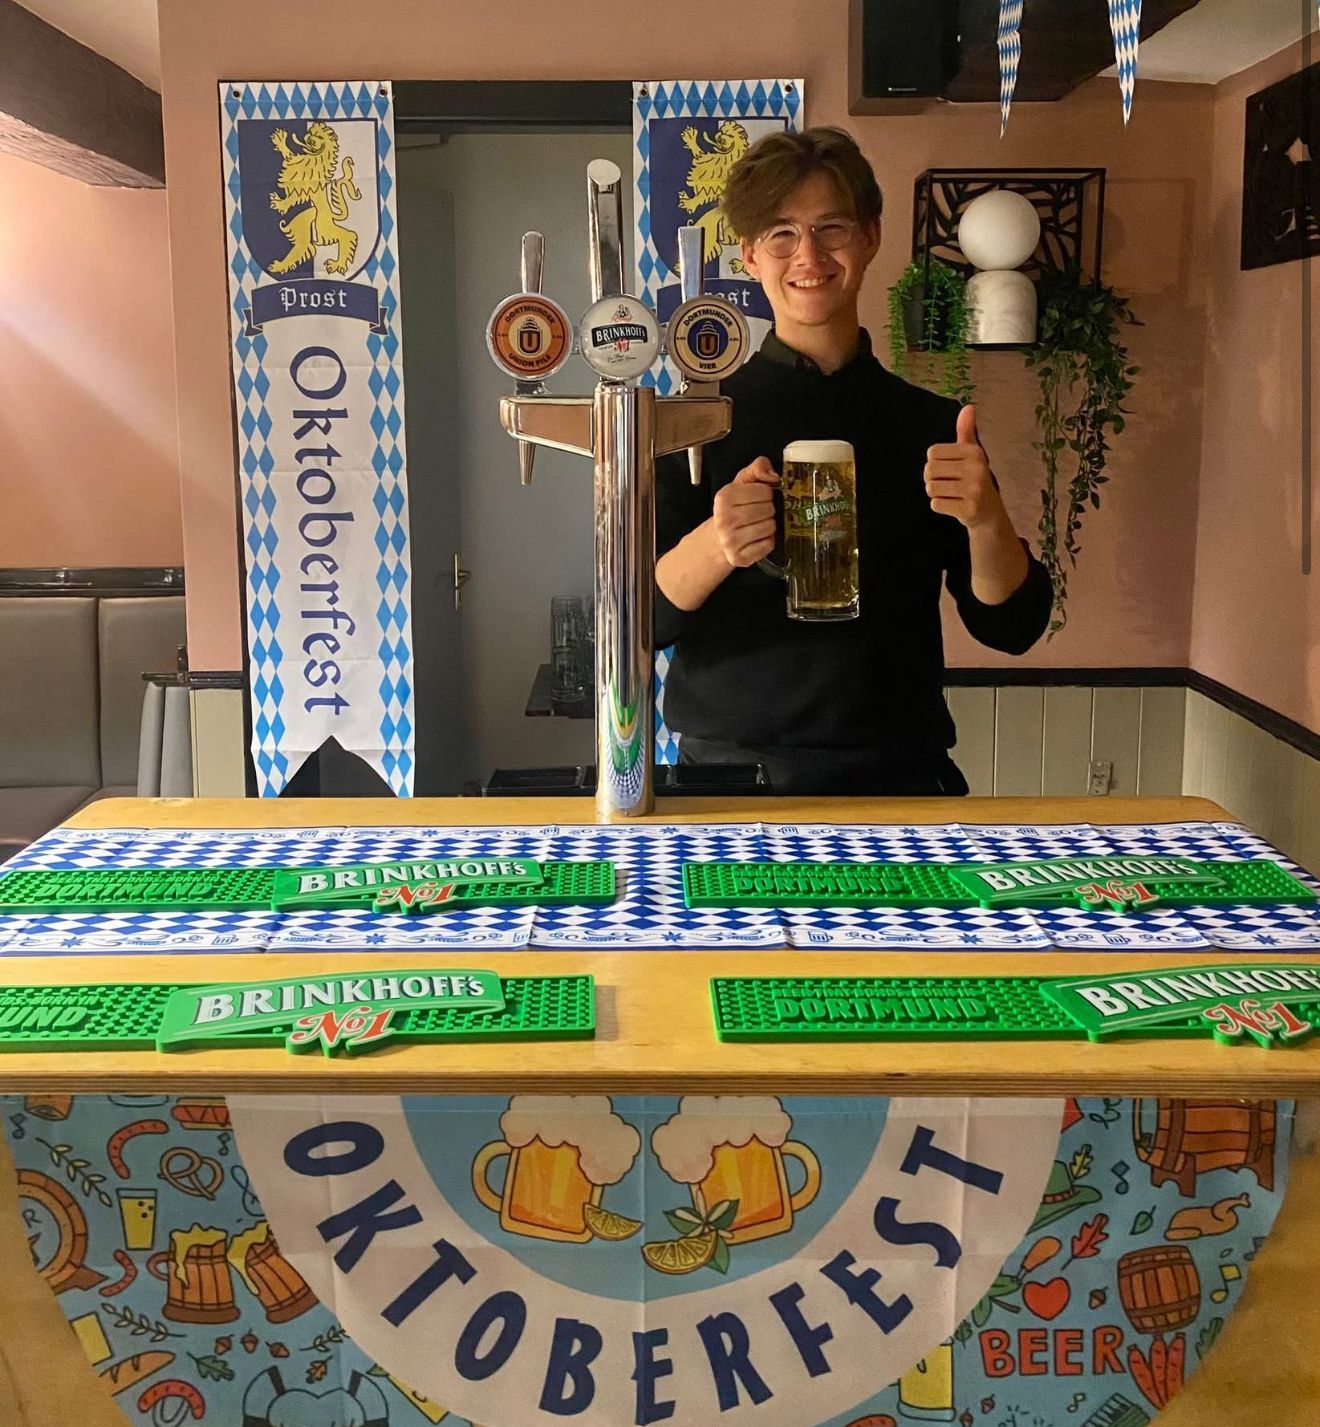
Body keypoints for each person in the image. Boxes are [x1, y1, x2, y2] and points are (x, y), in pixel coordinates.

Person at [655, 126, 1053, 795]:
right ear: (750, 255)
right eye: (781, 233)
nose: (807, 254)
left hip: (901, 778)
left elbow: (1011, 627)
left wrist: (987, 522)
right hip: (729, 782)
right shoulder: (693, 423)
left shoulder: (932, 424)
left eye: (830, 227)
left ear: (869, 237)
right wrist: (718, 544)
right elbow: (644, 623)